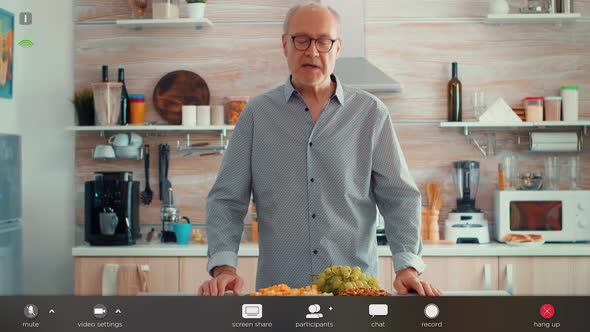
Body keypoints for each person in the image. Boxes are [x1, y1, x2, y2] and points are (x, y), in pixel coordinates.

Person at [198, 1, 441, 297]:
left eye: (323, 41)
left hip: (354, 294)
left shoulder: (371, 114)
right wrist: (224, 268)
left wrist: (407, 267)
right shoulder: (256, 115)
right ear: (285, 44)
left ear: (337, 48)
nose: (312, 51)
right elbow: (227, 199)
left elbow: (400, 197)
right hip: (281, 294)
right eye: (301, 39)